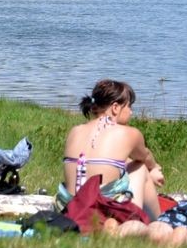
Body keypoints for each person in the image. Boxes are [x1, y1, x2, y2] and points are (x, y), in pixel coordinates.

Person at [58, 79, 164, 218]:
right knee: (140, 168)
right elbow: (144, 156)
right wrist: (154, 169)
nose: (131, 112)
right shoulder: (129, 133)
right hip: (102, 210)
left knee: (121, 162)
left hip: (69, 206)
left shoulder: (75, 131)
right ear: (115, 107)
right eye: (129, 106)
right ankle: (156, 221)